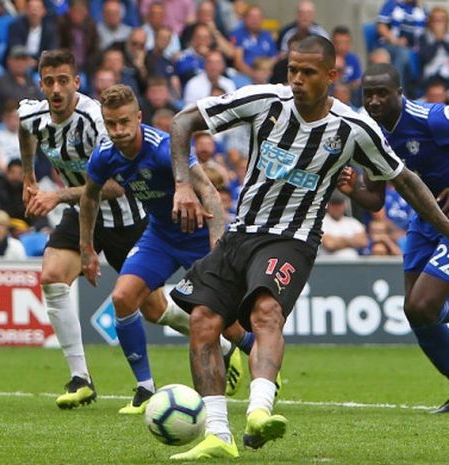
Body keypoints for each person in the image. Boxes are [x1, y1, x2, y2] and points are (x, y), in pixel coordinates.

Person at [167, 36, 449, 460]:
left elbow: (403, 179)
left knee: (265, 310)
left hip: (293, 238)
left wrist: (445, 226)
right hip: (241, 232)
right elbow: (182, 121)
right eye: (292, 71)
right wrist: (182, 184)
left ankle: (260, 411)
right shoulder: (263, 100)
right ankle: (218, 435)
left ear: (332, 76)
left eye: (308, 72)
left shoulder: (354, 129)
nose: (296, 80)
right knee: (204, 321)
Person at [19, 49, 189, 410]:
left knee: (155, 310)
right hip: (82, 214)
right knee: (51, 276)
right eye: (48, 81)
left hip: (126, 217)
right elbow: (24, 129)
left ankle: (222, 345)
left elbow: (117, 185)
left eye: (63, 80)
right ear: (41, 84)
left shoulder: (98, 119)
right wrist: (28, 176)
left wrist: (56, 196)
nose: (56, 89)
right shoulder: (33, 115)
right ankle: (80, 378)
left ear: (76, 82)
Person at [79, 84, 250, 414]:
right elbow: (89, 196)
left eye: (124, 122)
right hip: (159, 236)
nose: (118, 131)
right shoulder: (104, 155)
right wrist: (86, 247)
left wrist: (217, 246)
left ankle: (261, 363)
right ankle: (145, 389)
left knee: (228, 323)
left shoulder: (163, 148)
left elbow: (209, 192)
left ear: (139, 117)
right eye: (111, 123)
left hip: (199, 237)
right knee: (123, 297)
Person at [338, 62, 449, 414]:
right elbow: (376, 199)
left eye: (382, 93)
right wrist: (353, 189)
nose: (373, 100)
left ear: (399, 93)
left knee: (422, 305)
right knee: (416, 312)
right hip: (424, 221)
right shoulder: (369, 133)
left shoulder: (433, 118)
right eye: (367, 94)